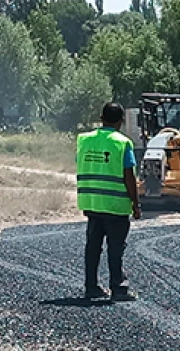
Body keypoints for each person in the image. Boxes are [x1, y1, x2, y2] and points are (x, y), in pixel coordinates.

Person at [77, 102, 141, 302]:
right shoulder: (122, 143)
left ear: (101, 117)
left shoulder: (84, 140)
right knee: (115, 247)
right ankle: (118, 288)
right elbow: (129, 175)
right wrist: (135, 203)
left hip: (92, 202)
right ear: (121, 121)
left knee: (93, 246)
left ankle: (91, 287)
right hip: (115, 205)